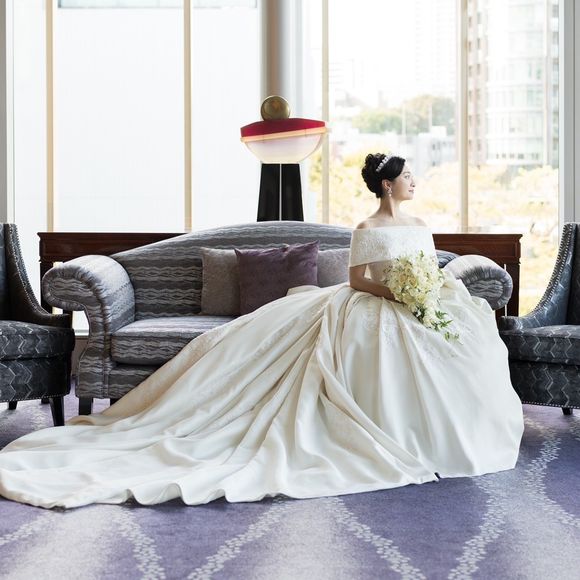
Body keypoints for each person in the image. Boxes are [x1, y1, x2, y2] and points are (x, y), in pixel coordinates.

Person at [0, 153, 524, 509]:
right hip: (372, 303)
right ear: (387, 185)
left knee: (462, 343)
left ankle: (428, 433)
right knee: (366, 345)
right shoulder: (368, 228)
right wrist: (396, 293)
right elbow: (358, 280)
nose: (414, 183)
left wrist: (424, 292)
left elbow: (428, 268)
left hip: (419, 304)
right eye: (408, 176)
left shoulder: (419, 226)